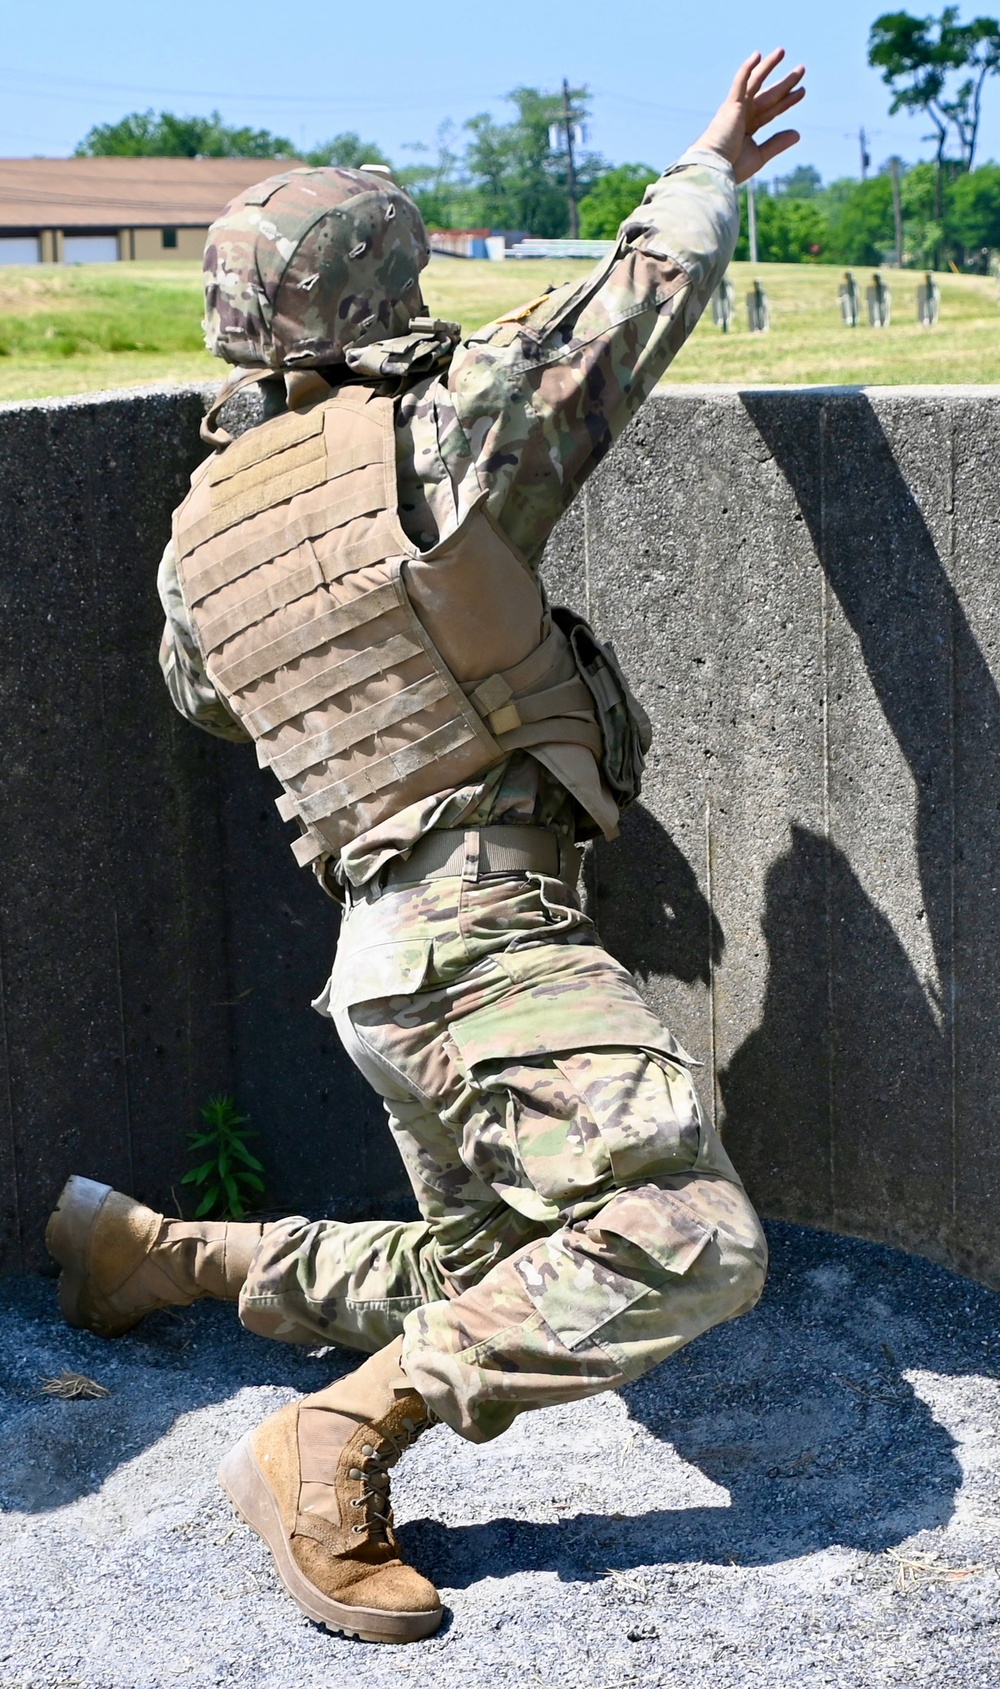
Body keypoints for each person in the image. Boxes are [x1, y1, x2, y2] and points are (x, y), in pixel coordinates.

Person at [46, 51, 805, 1645]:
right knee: (692, 1237)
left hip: (380, 975)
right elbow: (638, 299)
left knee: (493, 1272)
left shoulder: (202, 542)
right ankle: (335, 1438)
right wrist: (709, 160)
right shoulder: (441, 434)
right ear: (376, 296)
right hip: (486, 942)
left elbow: (208, 703)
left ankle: (163, 1251)